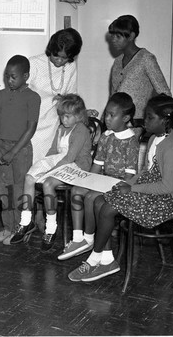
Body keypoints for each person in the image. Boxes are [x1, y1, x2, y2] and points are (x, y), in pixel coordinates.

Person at [68, 94, 173, 282]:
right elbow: (147, 173)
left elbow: (166, 186)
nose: (144, 121)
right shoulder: (154, 138)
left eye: (150, 117)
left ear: (164, 121)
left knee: (107, 207)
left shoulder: (171, 147)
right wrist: (127, 184)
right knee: (101, 200)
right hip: (153, 190)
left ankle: (93, 259)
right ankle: (107, 259)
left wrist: (132, 189)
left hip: (167, 202)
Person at [58, 92, 140, 261]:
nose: (107, 119)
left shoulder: (131, 141)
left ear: (125, 118)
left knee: (90, 198)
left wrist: (100, 186)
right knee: (77, 190)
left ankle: (89, 239)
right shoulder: (105, 136)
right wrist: (87, 180)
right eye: (106, 114)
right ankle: (78, 238)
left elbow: (129, 176)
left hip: (120, 185)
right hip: (103, 179)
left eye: (112, 115)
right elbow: (97, 164)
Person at [10, 94, 92, 251]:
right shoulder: (61, 129)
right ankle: (26, 222)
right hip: (61, 160)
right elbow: (54, 150)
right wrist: (43, 167)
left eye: (67, 116)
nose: (63, 119)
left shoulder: (81, 130)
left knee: (48, 184)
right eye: (61, 115)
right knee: (29, 178)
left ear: (78, 115)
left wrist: (49, 172)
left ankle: (51, 228)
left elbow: (70, 157)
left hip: (77, 165)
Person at [0, 55, 41, 245]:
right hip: (2, 146)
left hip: (21, 150)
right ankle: (7, 227)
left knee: (19, 191)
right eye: (7, 76)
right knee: (5, 190)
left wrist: (13, 152)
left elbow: (31, 129)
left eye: (13, 77)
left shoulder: (33, 98)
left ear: (25, 76)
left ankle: (22, 228)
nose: (9, 80)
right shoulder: (2, 95)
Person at [107, 15, 171, 135]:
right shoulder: (117, 62)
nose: (113, 40)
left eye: (118, 36)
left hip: (136, 129)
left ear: (131, 36)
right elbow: (113, 97)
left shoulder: (146, 58)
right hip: (115, 126)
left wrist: (148, 122)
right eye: (112, 36)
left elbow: (165, 95)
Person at [28, 28, 83, 164]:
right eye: (55, 55)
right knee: (28, 165)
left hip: (53, 124)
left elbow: (71, 97)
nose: (59, 61)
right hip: (30, 122)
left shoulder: (70, 67)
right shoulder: (34, 63)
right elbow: (21, 96)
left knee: (45, 166)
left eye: (64, 58)